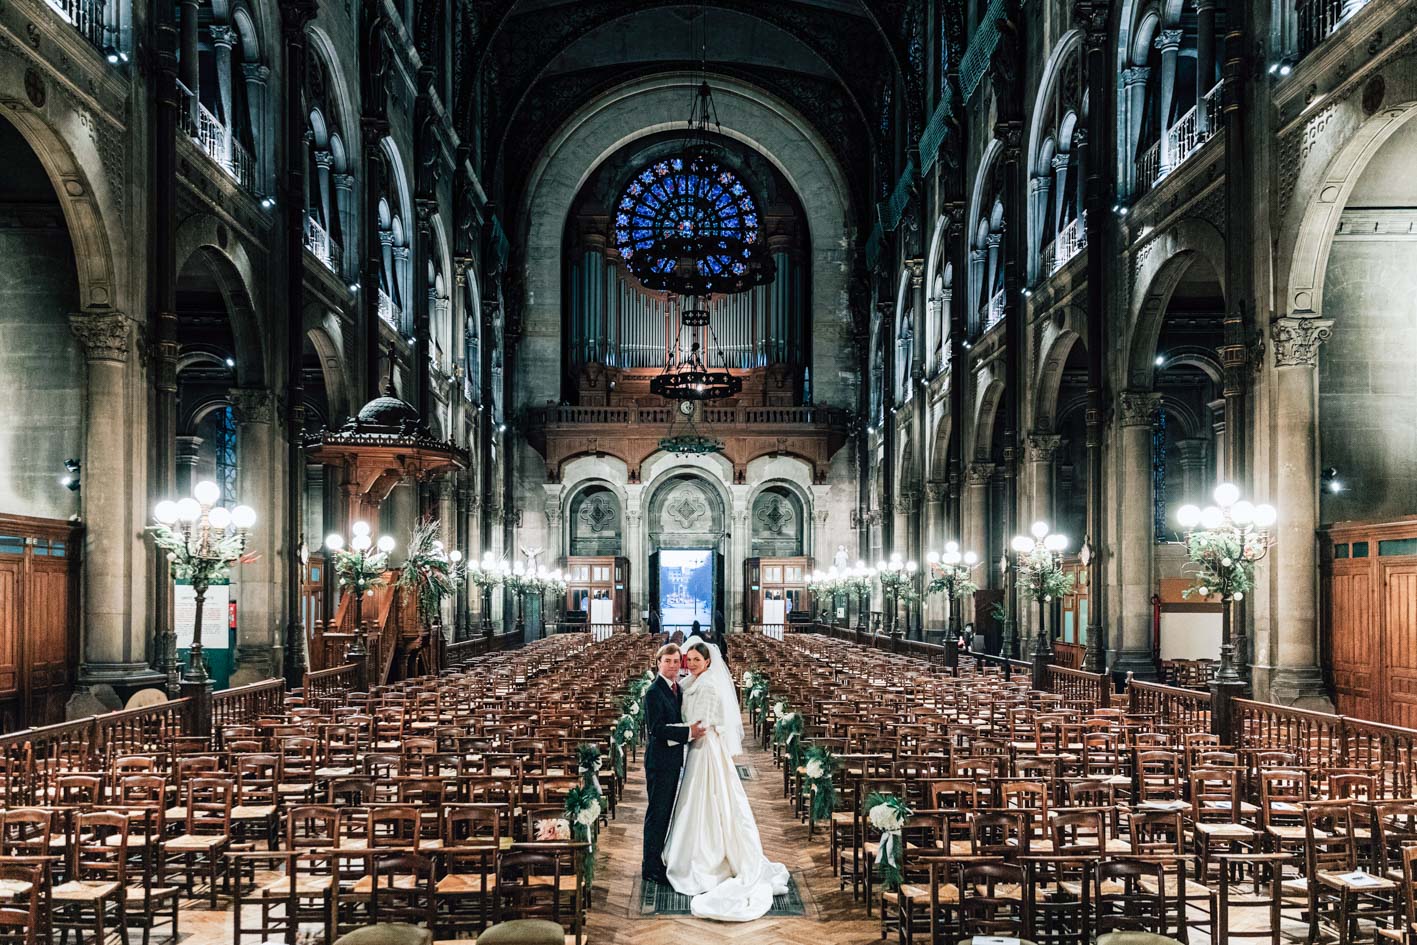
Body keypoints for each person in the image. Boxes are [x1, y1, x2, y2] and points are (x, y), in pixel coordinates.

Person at [662, 637, 789, 921]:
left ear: (708, 662)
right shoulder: (691, 682)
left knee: (706, 798)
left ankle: (705, 857)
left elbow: (701, 724)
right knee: (697, 800)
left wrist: (673, 733)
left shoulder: (707, 685)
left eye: (697, 659)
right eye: (689, 659)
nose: (691, 663)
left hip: (706, 749)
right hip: (697, 748)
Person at [642, 644, 705, 885]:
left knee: (665, 813)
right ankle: (650, 867)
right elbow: (656, 730)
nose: (672, 665)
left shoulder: (676, 688)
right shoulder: (654, 691)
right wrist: (689, 732)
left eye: (676, 661)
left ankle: (657, 860)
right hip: (659, 762)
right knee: (657, 815)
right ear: (658, 662)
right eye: (667, 661)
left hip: (671, 761)